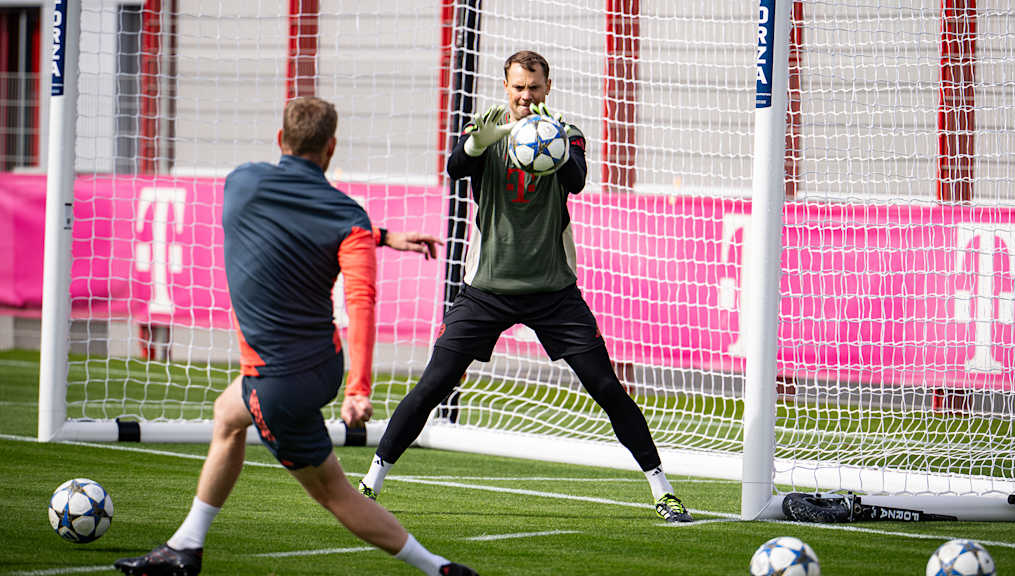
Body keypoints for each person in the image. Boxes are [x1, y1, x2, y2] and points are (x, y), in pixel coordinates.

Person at [114, 97, 478, 576]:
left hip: (277, 381)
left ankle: (440, 569)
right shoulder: (349, 216)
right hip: (318, 367)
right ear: (330, 147)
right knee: (227, 416)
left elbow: (296, 222)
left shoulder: (241, 184)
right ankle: (186, 546)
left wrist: (377, 234)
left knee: (333, 492)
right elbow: (361, 303)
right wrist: (357, 387)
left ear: (280, 140)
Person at [358, 50, 693, 524]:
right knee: (434, 383)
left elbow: (576, 181)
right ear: (505, 86)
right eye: (518, 87)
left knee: (606, 387)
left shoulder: (569, 134)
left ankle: (663, 490)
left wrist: (556, 144)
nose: (525, 97)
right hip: (486, 290)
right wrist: (479, 143)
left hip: (553, 293)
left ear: (547, 88)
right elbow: (456, 168)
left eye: (534, 88)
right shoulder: (486, 131)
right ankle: (371, 481)